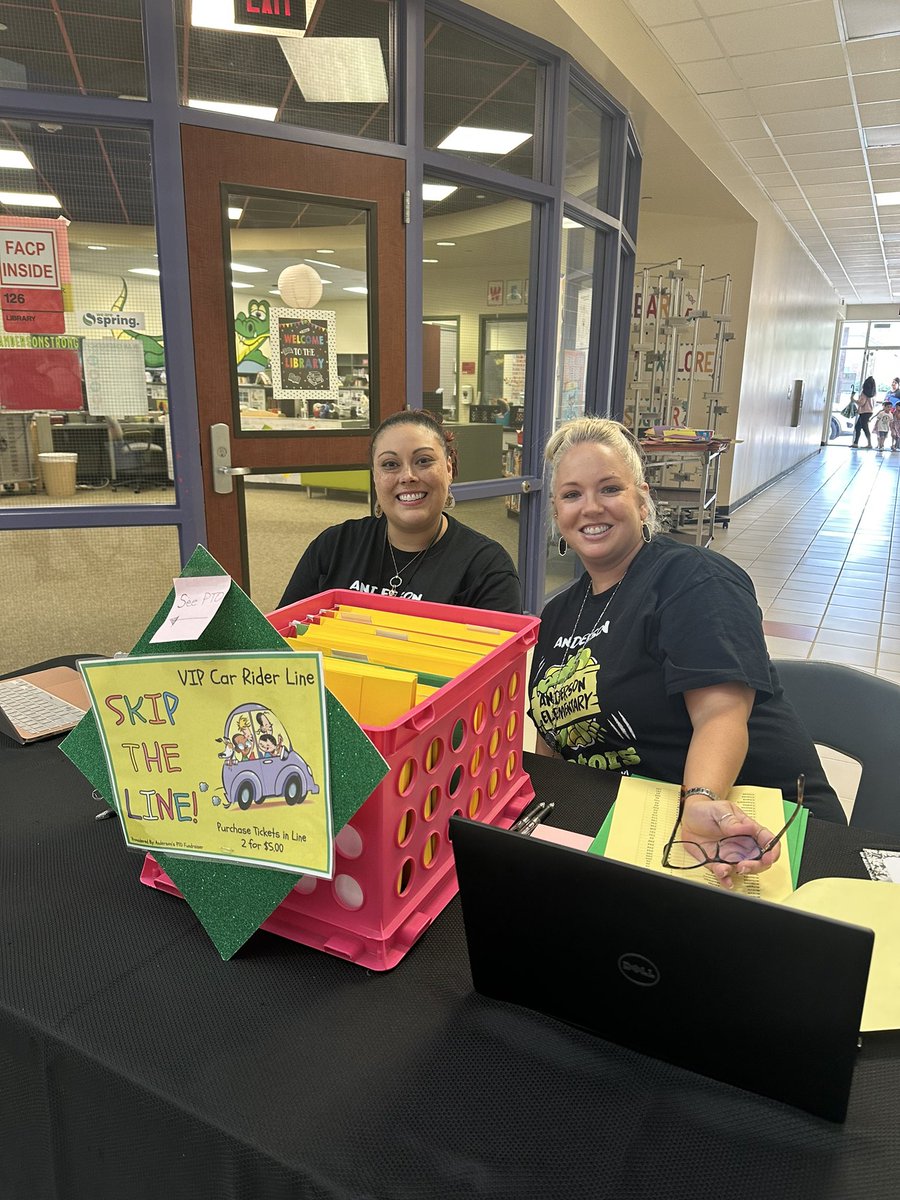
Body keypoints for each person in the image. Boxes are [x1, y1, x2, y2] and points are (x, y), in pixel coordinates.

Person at [528, 417, 845, 889]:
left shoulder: (693, 580)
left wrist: (697, 801)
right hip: (640, 829)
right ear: (557, 513)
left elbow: (720, 716)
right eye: (572, 495)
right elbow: (554, 737)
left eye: (609, 488)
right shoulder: (558, 614)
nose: (590, 507)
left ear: (642, 497)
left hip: (754, 834)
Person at [279, 409, 522, 613]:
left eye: (424, 460)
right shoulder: (334, 547)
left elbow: (497, 667)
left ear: (449, 468)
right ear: (375, 477)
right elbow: (279, 645)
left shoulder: (487, 568)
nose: (408, 476)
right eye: (390, 465)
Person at [852, 377, 877, 448]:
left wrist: (853, 400)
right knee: (859, 427)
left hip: (864, 412)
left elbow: (861, 403)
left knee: (864, 427)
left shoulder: (864, 393)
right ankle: (856, 443)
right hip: (869, 412)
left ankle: (868, 444)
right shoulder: (874, 393)